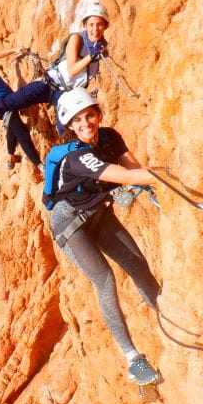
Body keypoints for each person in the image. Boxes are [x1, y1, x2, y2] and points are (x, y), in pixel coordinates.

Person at [48, 87, 162, 385]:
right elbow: (124, 177)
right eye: (78, 120)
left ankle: (165, 316)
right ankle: (132, 359)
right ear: (70, 127)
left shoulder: (110, 136)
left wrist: (152, 181)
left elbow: (133, 168)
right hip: (70, 225)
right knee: (105, 280)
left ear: (98, 114)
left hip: (99, 214)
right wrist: (171, 173)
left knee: (138, 265)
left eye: (89, 115)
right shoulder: (77, 158)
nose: (86, 123)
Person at [0, 3, 110, 141]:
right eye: (91, 25)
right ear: (85, 25)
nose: (95, 29)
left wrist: (96, 54)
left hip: (63, 94)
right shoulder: (77, 39)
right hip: (47, 84)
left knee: (65, 128)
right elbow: (72, 70)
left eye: (99, 25)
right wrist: (91, 57)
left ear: (105, 26)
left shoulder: (101, 48)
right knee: (6, 104)